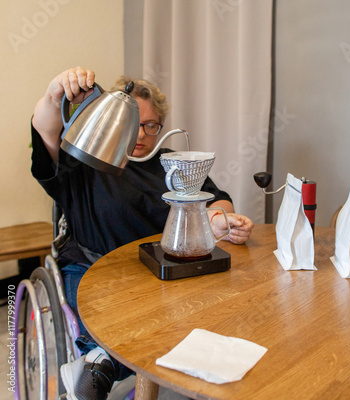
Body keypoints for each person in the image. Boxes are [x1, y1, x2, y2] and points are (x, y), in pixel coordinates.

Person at [31, 67, 254, 400]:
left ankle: (117, 364)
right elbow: (45, 131)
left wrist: (219, 218)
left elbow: (213, 197)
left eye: (151, 125)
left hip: (155, 270)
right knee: (121, 322)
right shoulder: (88, 159)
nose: (140, 135)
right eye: (132, 123)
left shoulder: (171, 163)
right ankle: (102, 364)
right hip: (94, 267)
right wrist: (54, 95)